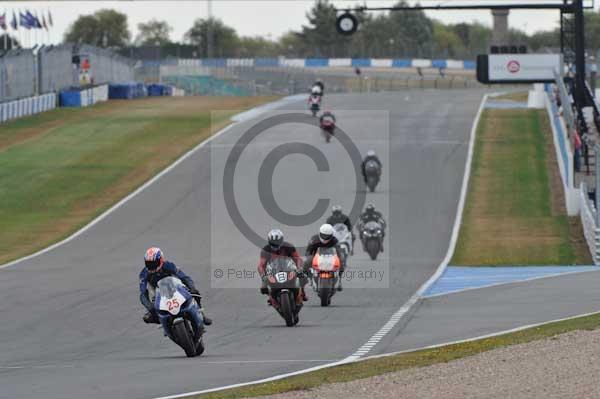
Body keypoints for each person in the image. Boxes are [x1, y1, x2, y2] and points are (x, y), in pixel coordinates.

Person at [139, 247, 212, 326]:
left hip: (175, 288)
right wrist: (149, 306)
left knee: (195, 294)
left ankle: (201, 314)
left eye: (154, 263)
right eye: (149, 263)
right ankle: (164, 324)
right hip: (158, 293)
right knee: (149, 316)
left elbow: (184, 277)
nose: (151, 266)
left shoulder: (168, 265)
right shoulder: (144, 274)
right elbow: (143, 293)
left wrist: (192, 288)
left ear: (161, 260)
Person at [258, 229, 307, 302]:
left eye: (277, 243)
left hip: (288, 268)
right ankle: (271, 297)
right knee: (263, 288)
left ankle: (302, 292)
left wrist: (299, 268)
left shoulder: (289, 246)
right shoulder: (266, 250)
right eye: (273, 243)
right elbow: (261, 265)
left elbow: (298, 259)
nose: (275, 245)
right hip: (273, 271)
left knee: (303, 277)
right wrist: (263, 275)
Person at [305, 224, 345, 291]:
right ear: (320, 233)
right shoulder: (314, 239)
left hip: (331, 257)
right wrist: (309, 256)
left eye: (327, 236)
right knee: (306, 262)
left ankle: (339, 280)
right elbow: (308, 250)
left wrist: (340, 256)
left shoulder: (334, 240)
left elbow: (339, 251)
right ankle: (309, 278)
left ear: (331, 235)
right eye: (323, 235)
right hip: (316, 256)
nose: (325, 237)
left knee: (341, 261)